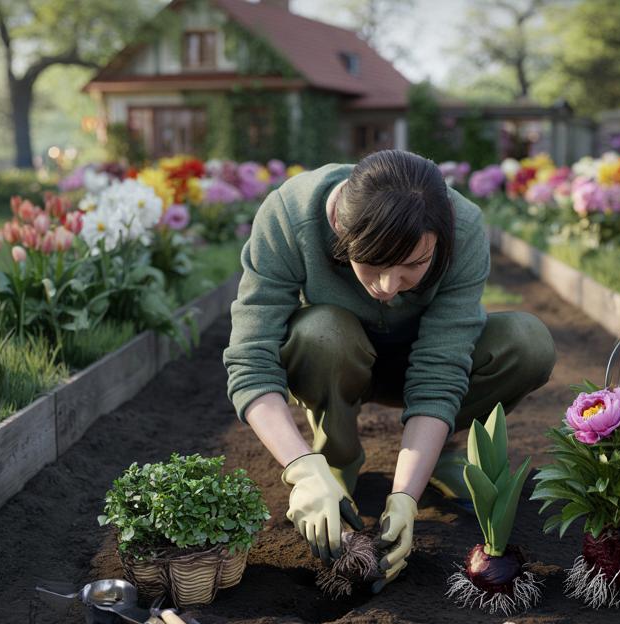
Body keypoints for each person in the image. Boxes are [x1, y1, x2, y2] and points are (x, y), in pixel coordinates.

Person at [223, 149, 556, 592]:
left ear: (440, 236)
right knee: (320, 332)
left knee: (527, 342)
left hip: (422, 360)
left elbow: (441, 370)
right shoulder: (290, 213)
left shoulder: (466, 225)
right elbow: (250, 359)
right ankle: (332, 463)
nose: (387, 287)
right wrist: (300, 468)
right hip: (338, 359)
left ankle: (441, 454)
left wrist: (404, 499)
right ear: (341, 227)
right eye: (375, 265)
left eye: (414, 266)